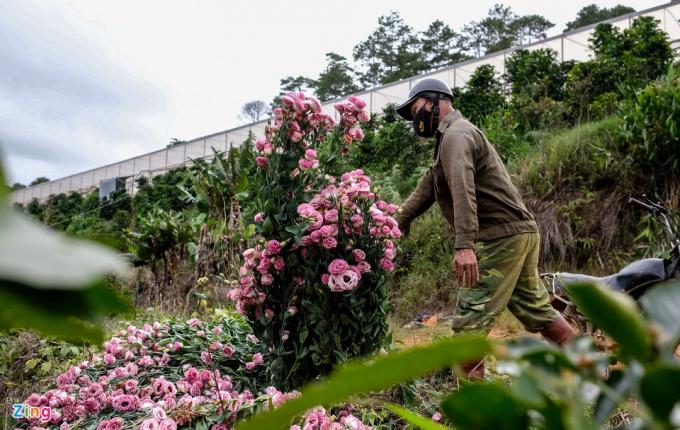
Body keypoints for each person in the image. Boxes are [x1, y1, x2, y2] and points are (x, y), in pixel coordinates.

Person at [394, 78, 575, 379]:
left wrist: (464, 246)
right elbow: (427, 187)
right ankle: (596, 372)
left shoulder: (456, 136)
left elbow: (464, 191)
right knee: (537, 310)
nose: (416, 119)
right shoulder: (449, 139)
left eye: (416, 110)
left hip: (502, 237)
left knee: (469, 324)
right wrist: (394, 222)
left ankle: (473, 412)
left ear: (436, 100)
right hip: (518, 233)